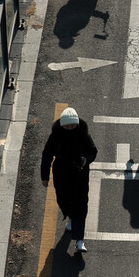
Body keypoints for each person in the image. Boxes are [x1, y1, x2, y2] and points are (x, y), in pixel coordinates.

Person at [41, 107, 97, 254]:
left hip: (80, 174)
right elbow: (47, 155)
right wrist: (44, 176)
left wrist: (86, 160)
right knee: (63, 200)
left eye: (73, 126)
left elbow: (93, 151)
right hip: (61, 173)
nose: (70, 129)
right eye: (67, 126)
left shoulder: (83, 135)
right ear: (62, 126)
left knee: (81, 204)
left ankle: (79, 241)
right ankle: (71, 217)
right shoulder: (55, 137)